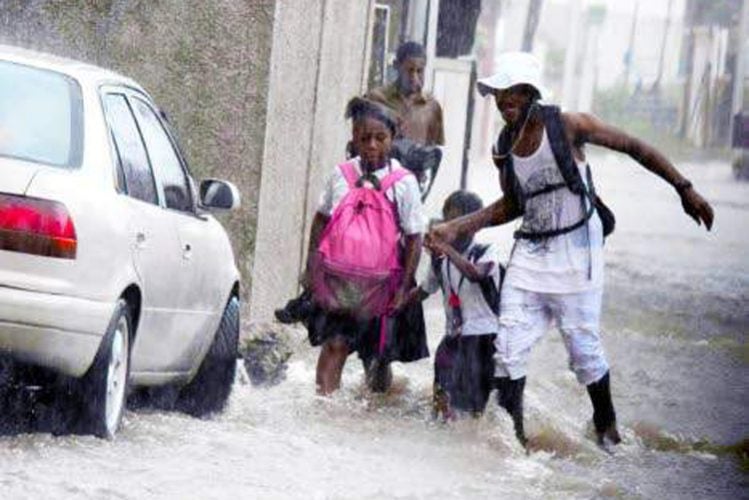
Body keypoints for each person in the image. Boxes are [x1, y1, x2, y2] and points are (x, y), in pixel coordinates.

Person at [427, 52, 714, 447]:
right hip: (531, 249)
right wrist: (455, 227)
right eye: (499, 93)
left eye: (513, 92)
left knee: (583, 350)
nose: (504, 100)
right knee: (507, 347)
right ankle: (513, 443)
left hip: (579, 247)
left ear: (530, 92)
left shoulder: (565, 126)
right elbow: (513, 205)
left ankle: (608, 432)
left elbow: (633, 146)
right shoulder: (503, 146)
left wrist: (684, 188)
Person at [304, 97, 429, 395]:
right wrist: (311, 267)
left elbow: (415, 237)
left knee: (377, 357)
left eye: (380, 138)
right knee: (334, 344)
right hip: (340, 281)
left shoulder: (403, 182)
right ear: (354, 140)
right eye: (364, 138)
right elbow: (321, 219)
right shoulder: (341, 175)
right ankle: (324, 408)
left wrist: (403, 289)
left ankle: (373, 415)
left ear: (392, 139)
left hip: (383, 284)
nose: (372, 145)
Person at [406, 190, 504, 420]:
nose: (451, 227)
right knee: (441, 403)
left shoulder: (485, 252)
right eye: (448, 219)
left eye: (458, 222)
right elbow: (424, 291)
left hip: (482, 339)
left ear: (473, 225)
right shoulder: (439, 260)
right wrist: (395, 301)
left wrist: (447, 249)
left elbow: (475, 274)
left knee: (471, 410)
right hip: (453, 339)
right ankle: (441, 434)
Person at [368, 41, 445, 198]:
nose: (414, 77)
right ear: (396, 66)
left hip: (411, 189)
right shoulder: (376, 100)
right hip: (377, 184)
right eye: (409, 71)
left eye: (419, 71)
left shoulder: (432, 107)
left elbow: (433, 152)